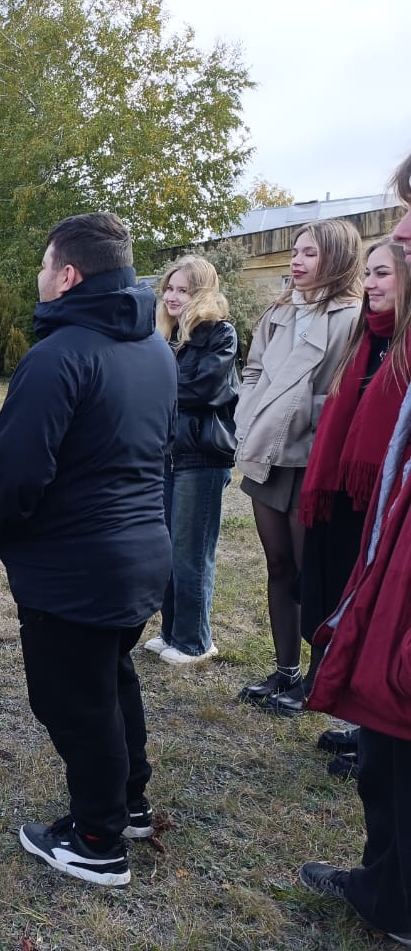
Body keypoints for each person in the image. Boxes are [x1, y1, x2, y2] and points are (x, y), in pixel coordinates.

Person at [0, 212, 176, 887]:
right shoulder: (154, 349)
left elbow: (19, 468)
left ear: (69, 274)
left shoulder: (60, 355)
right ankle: (130, 803)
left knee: (74, 701)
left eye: (42, 266)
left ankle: (96, 839)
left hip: (78, 569)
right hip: (140, 555)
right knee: (111, 678)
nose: (38, 279)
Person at [298, 158, 411, 946]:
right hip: (378, 540)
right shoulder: (381, 342)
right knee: (385, 751)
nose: (399, 236)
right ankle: (386, 885)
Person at [273, 240, 411, 744]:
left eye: (384, 275)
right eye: (370, 273)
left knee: (375, 611)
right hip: (339, 493)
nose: (371, 285)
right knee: (330, 591)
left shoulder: (405, 344)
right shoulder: (365, 338)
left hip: (383, 500)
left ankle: (370, 729)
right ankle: (357, 723)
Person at [233, 219, 362, 710]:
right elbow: (254, 369)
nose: (297, 260)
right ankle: (285, 670)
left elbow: (351, 388)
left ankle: (316, 676)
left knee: (315, 571)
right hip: (270, 452)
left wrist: (307, 408)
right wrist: (252, 411)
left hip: (315, 458)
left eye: (310, 252)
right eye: (295, 251)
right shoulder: (279, 312)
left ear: (336, 257)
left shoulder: (353, 315)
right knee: (279, 565)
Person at [141, 256, 239, 666]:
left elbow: (205, 389)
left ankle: (195, 642)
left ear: (201, 293)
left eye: (183, 290)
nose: (172, 296)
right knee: (166, 549)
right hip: (168, 454)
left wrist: (158, 383)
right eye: (169, 288)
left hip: (202, 455)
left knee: (192, 552)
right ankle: (171, 632)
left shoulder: (220, 333)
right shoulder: (164, 335)